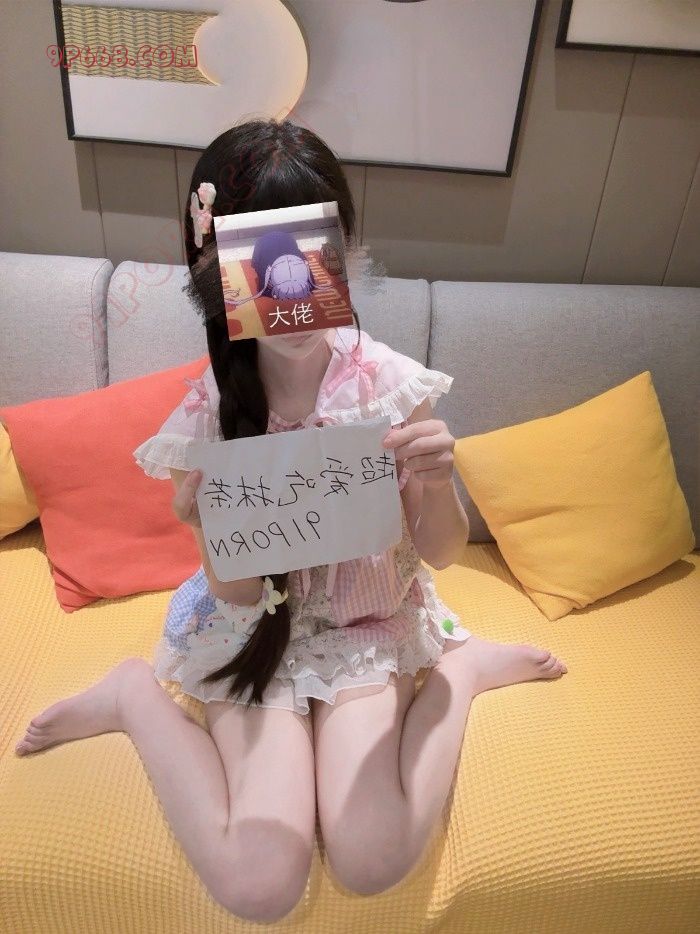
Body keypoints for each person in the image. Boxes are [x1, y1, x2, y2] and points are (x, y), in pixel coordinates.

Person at [14, 118, 567, 923]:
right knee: (260, 884)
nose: (297, 294)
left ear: (344, 253)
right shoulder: (211, 410)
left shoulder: (385, 385)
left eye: (319, 253)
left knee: (372, 857)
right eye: (264, 262)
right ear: (218, 275)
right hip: (251, 631)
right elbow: (238, 597)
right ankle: (133, 696)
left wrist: (437, 480)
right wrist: (206, 529)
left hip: (366, 623)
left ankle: (463, 671)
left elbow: (443, 552)